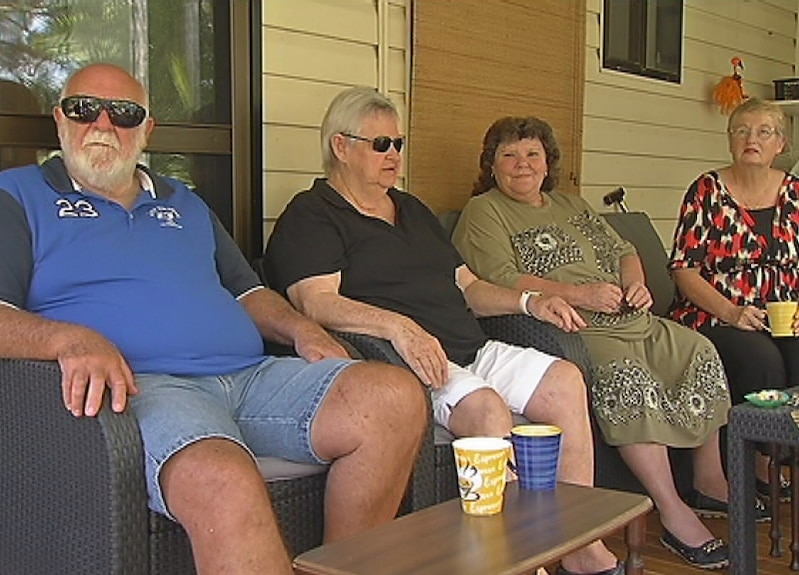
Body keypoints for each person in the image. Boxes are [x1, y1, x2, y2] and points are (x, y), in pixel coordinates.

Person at [0, 63, 428, 574]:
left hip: (251, 377)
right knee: (222, 477)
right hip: (145, 389)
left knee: (395, 399)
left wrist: (303, 329)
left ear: (148, 129)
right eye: (84, 109)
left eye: (125, 114)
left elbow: (249, 292)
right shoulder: (19, 196)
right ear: (60, 119)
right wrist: (67, 340)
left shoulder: (186, 203)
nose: (103, 125)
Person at [264, 87, 623, 575]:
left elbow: (469, 287)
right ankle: (514, 561)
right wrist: (400, 328)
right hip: (407, 364)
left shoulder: (410, 209)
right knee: (487, 409)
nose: (393, 155)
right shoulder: (312, 214)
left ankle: (579, 547)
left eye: (398, 143)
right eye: (380, 145)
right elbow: (315, 301)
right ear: (340, 147)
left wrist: (529, 301)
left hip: (468, 346)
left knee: (564, 380)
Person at [452, 116, 738, 570]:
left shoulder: (572, 204)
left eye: (532, 155)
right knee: (629, 377)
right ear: (492, 165)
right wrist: (580, 295)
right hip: (577, 327)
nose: (522, 165)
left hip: (630, 317)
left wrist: (636, 282)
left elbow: (624, 250)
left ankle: (708, 480)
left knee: (698, 349)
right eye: (509, 155)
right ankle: (670, 508)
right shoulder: (484, 212)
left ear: (548, 164)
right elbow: (501, 279)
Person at [668, 97, 799, 532]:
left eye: (763, 132)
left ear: (780, 143)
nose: (752, 139)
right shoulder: (706, 191)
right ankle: (761, 464)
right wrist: (731, 311)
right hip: (719, 311)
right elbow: (683, 271)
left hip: (790, 312)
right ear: (730, 140)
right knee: (760, 359)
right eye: (742, 131)